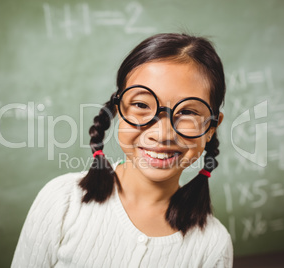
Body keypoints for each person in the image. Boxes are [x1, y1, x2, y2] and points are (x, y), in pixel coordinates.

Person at [12, 33, 233, 267]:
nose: (163, 134)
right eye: (141, 105)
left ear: (211, 127)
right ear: (118, 108)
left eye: (188, 112)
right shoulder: (63, 201)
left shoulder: (213, 246)